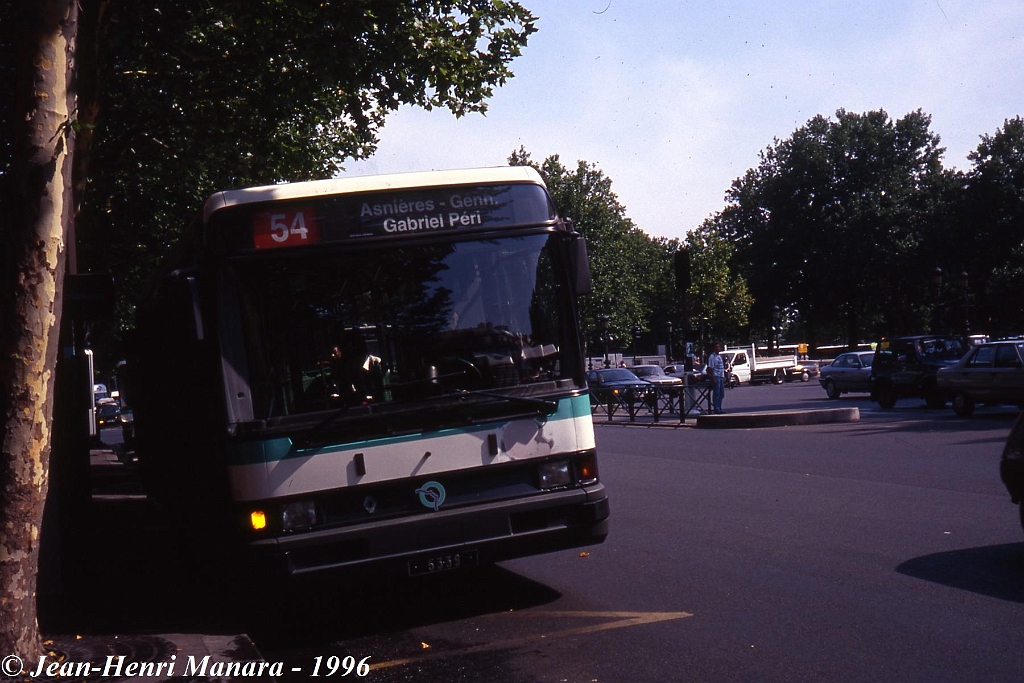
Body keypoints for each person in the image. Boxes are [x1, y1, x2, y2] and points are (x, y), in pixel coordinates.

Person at [707, 341, 727, 414]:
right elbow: (710, 368)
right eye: (716, 347)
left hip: (720, 376)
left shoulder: (719, 356)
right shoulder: (712, 356)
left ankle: (719, 407)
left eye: (719, 347)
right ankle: (717, 409)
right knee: (716, 394)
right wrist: (713, 378)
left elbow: (721, 367)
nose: (718, 348)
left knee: (721, 394)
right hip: (716, 376)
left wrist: (723, 376)